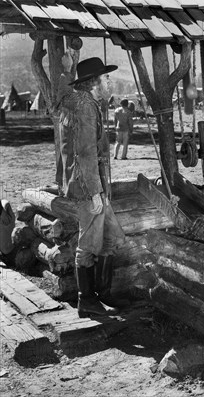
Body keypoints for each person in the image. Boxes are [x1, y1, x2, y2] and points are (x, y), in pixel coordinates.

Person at [57, 56, 129, 317]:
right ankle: (86, 300)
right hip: (88, 186)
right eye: (106, 78)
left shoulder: (91, 104)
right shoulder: (86, 107)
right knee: (87, 243)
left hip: (96, 184)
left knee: (111, 238)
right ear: (94, 83)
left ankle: (103, 294)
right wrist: (95, 191)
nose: (110, 81)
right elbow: (85, 152)